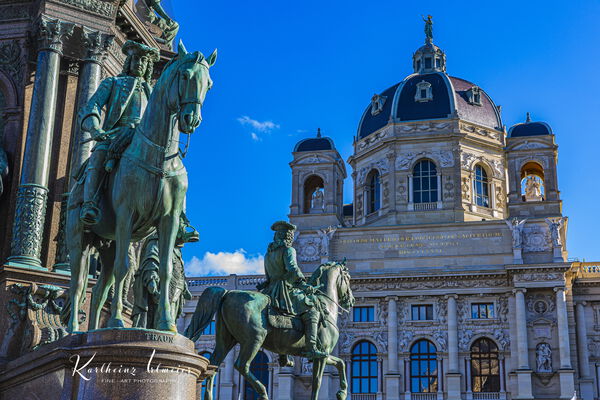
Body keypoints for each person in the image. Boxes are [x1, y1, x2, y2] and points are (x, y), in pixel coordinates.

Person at [78, 40, 160, 225]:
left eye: (144, 61)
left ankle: (175, 219)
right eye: (136, 59)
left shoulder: (154, 93)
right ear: (129, 62)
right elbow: (92, 107)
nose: (139, 64)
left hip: (143, 138)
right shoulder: (113, 82)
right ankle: (90, 204)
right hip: (115, 134)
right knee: (98, 157)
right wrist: (95, 128)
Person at [257, 221, 327, 360]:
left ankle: (283, 354)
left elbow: (268, 277)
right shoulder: (288, 250)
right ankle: (311, 347)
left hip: (270, 290)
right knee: (312, 309)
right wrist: (303, 284)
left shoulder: (268, 254)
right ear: (288, 236)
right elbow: (293, 269)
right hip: (284, 290)